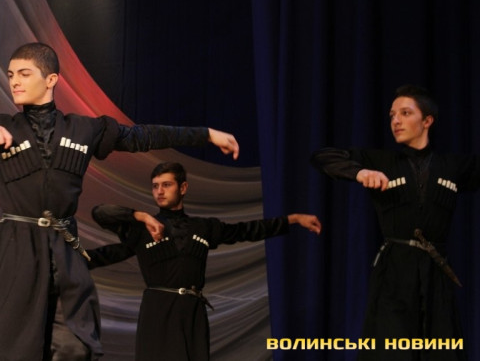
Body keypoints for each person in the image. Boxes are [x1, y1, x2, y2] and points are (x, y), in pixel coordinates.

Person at [0, 42, 240, 361]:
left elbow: (144, 136)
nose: (14, 81)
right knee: (11, 346)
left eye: (24, 73)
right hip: (18, 245)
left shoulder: (84, 129)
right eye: (11, 74)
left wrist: (206, 134)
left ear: (51, 79)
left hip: (65, 248)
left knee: (74, 344)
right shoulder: (0, 127)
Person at [90, 161, 322, 361]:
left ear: (183, 188)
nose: (159, 191)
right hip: (158, 313)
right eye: (155, 186)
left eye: (166, 185)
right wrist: (140, 216)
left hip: (193, 313)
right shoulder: (142, 229)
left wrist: (293, 219)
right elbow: (100, 213)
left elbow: (247, 230)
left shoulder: (204, 227)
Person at [310, 84, 475, 360]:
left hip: (436, 274)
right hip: (395, 273)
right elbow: (320, 157)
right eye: (392, 115)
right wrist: (359, 172)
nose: (396, 121)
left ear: (427, 120)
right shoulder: (381, 161)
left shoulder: (452, 167)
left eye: (405, 113)